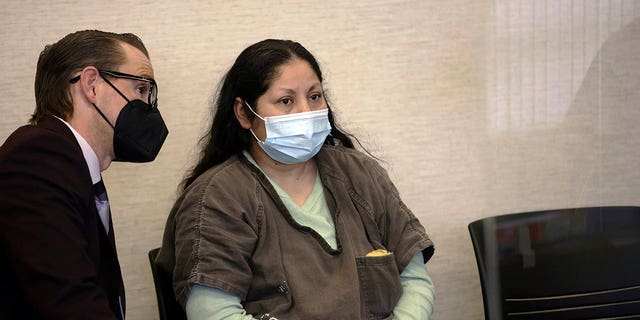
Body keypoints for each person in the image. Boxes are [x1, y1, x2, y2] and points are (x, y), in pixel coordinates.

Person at [156, 39, 434, 319]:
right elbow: (213, 312)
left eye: (314, 96)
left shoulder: (360, 174)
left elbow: (415, 281)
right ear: (244, 113)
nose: (306, 112)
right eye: (286, 101)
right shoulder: (218, 197)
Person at [0, 30, 168, 319]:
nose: (148, 107)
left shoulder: (72, 164)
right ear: (91, 85)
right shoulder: (38, 156)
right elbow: (70, 301)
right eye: (141, 89)